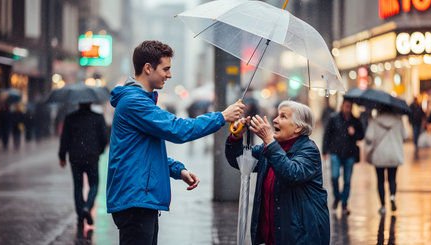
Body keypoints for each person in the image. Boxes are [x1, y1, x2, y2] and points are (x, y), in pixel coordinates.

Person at [106, 40, 245, 245]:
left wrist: (177, 170)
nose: (169, 75)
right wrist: (222, 117)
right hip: (135, 201)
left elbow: (145, 152)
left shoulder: (139, 101)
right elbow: (178, 129)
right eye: (166, 68)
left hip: (140, 200)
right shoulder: (135, 102)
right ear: (148, 68)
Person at [225, 101, 330, 245]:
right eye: (277, 115)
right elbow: (240, 160)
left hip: (300, 236)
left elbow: (291, 173)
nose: (275, 119)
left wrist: (269, 140)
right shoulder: (268, 148)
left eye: (283, 116)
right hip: (273, 236)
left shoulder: (309, 150)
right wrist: (236, 136)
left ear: (298, 127)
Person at [58, 102, 109, 233]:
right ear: (91, 103)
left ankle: (80, 216)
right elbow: (104, 138)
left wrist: (62, 155)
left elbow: (65, 139)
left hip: (75, 158)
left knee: (78, 186)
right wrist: (99, 150)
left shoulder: (70, 118)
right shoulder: (98, 117)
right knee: (94, 184)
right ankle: (87, 207)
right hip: (92, 157)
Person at [322, 99, 364, 215]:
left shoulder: (355, 121)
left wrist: (354, 133)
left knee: (347, 181)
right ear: (342, 106)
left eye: (349, 107)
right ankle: (337, 197)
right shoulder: (334, 118)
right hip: (335, 152)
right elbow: (327, 134)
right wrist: (325, 150)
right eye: (346, 107)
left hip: (350, 154)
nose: (347, 109)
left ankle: (344, 203)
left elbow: (361, 136)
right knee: (334, 177)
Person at [364, 106, 406, 215]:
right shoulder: (398, 120)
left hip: (379, 155)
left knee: (380, 180)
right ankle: (392, 197)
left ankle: (383, 205)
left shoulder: (375, 120)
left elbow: (369, 136)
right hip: (394, 154)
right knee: (392, 179)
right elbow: (405, 135)